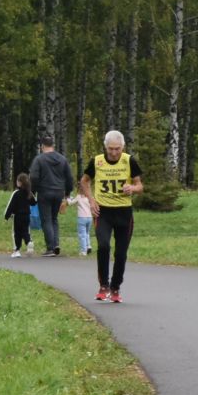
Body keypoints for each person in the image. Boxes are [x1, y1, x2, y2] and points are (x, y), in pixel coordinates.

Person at [79, 130, 143, 303]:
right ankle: (103, 286)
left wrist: (132, 188)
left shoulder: (129, 160)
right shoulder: (97, 161)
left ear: (123, 147)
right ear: (105, 147)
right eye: (110, 149)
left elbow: (140, 185)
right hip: (103, 212)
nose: (114, 153)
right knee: (104, 246)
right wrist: (91, 201)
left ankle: (115, 287)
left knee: (121, 253)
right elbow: (84, 181)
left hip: (124, 212)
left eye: (117, 149)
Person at [28, 137, 75, 257]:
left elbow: (33, 177)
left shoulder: (39, 159)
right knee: (54, 219)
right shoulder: (62, 159)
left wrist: (33, 191)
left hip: (44, 192)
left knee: (46, 220)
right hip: (59, 192)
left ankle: (50, 248)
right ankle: (56, 244)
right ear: (52, 146)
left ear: (42, 146)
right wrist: (68, 193)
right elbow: (69, 177)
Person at [3, 172, 34, 257]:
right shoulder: (29, 193)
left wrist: (6, 216)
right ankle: (29, 242)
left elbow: (11, 205)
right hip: (27, 215)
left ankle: (17, 250)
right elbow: (34, 202)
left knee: (16, 233)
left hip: (17, 216)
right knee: (25, 231)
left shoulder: (16, 193)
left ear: (20, 182)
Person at [71, 189, 94, 256]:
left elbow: (71, 202)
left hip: (82, 218)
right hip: (89, 217)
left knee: (82, 235)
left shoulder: (78, 197)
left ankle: (83, 251)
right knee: (87, 233)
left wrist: (68, 198)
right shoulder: (90, 197)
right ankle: (88, 246)